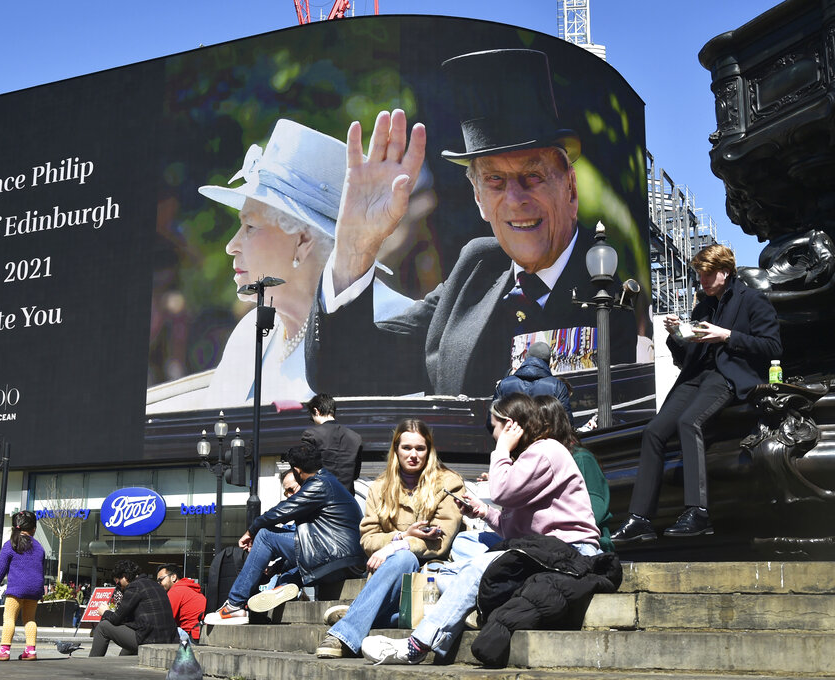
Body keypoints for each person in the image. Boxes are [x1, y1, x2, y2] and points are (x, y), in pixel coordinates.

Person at [306, 49, 642, 399]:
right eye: (495, 181)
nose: (514, 199)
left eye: (532, 176)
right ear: (478, 197)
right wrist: (354, 249)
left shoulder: (606, 276)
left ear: (570, 188)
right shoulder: (477, 267)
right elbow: (348, 371)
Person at [360, 392, 601, 665]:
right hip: (542, 549)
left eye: (494, 427)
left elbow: (501, 492)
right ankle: (477, 608)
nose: (493, 435)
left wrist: (502, 451)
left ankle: (418, 645)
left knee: (479, 568)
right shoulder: (530, 456)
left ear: (510, 425)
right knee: (449, 570)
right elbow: (515, 530)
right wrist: (484, 513)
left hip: (571, 550)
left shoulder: (545, 451)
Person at [194, 119, 412, 408]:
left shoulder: (390, 321)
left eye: (249, 227)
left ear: (303, 241)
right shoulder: (250, 333)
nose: (231, 245)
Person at [612, 244, 782, 544]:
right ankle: (640, 519)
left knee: (689, 422)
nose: (701, 280)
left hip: (727, 376)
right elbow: (685, 357)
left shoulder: (753, 300)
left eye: (707, 274)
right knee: (653, 430)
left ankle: (698, 513)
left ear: (725, 272)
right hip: (695, 377)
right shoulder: (703, 306)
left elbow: (772, 347)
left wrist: (727, 336)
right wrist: (677, 335)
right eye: (699, 274)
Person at [315, 419, 464, 658]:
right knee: (402, 558)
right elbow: (368, 539)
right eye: (406, 448)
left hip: (430, 576)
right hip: (390, 577)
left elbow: (441, 539)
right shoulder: (379, 487)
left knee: (405, 557)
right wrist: (401, 537)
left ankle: (347, 628)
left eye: (420, 448)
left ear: (429, 450)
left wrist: (399, 546)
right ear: (396, 449)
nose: (413, 454)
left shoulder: (449, 483)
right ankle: (358, 615)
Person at [204, 440, 366, 625]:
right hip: (343, 561)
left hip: (335, 559)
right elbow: (306, 541)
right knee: (289, 572)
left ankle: (233, 605)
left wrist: (252, 529)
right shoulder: (330, 483)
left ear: (297, 470)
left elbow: (282, 511)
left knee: (265, 536)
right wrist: (275, 568)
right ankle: (282, 587)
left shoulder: (319, 484)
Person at [533, 394, 613, 552]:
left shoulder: (581, 459)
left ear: (547, 427)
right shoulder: (536, 462)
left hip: (583, 547)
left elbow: (593, 513)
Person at [0, 510, 45, 661]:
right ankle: (30, 651)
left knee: (9, 618)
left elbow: (0, 568)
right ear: (33, 529)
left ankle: (4, 650)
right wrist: (40, 592)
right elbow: (40, 571)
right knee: (30, 619)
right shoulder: (40, 548)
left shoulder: (11, 545)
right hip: (34, 590)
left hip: (16, 589)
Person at [90, 559, 178, 656]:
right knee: (126, 649)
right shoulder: (154, 585)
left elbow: (116, 619)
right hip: (168, 639)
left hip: (150, 640)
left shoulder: (134, 587)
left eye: (117, 582)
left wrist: (105, 612)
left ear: (124, 577)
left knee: (103, 627)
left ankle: (91, 664)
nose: (118, 586)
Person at [493, 341, 572, 423]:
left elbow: (492, 422)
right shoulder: (557, 386)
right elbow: (567, 423)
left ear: (526, 358)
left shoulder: (504, 385)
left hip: (513, 434)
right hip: (545, 434)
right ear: (549, 362)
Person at [300, 393, 363, 493]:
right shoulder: (356, 437)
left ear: (316, 411)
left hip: (321, 498)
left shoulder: (311, 435)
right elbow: (355, 475)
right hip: (347, 500)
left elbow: (305, 472)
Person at [157, 564, 207, 643]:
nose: (159, 583)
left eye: (161, 579)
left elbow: (164, 619)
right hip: (201, 634)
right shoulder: (191, 589)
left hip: (191, 636)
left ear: (173, 577)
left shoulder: (176, 591)